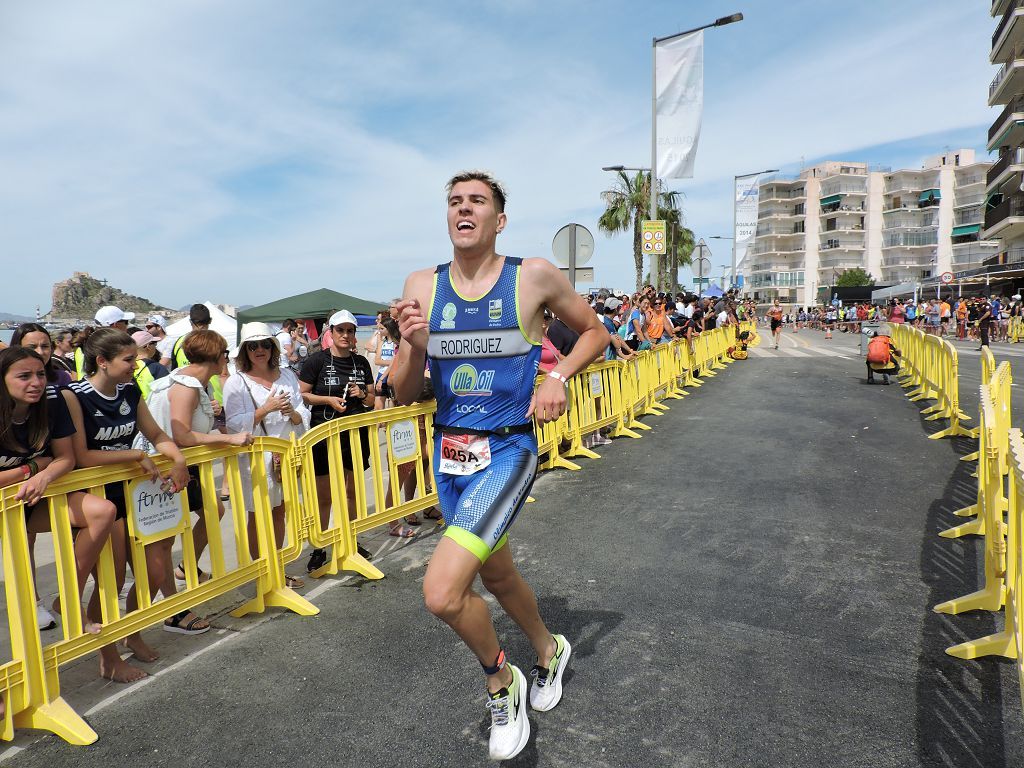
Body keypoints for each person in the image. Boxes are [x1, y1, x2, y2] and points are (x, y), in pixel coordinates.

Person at [392, 170, 607, 761]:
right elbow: (404, 390)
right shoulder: (420, 284)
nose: (464, 209)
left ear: (498, 219)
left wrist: (558, 375)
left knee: (441, 593)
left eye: (477, 201)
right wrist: (412, 344)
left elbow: (595, 332)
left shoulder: (532, 275)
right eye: (455, 202)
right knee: (496, 575)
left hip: (509, 448)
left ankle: (500, 679)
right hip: (450, 454)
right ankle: (548, 649)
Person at [63, 328, 191, 682]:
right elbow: (82, 456)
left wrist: (178, 461)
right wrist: (135, 455)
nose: (136, 365)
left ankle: (132, 631)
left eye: (136, 358)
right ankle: (109, 656)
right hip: (94, 496)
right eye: (128, 360)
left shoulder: (130, 390)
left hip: (131, 492)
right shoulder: (74, 395)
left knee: (153, 572)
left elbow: (158, 436)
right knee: (112, 579)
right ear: (102, 362)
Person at [0, 347, 116, 638]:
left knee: (103, 511)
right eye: (24, 376)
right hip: (14, 497)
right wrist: (31, 469)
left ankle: (67, 599)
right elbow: (43, 461)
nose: (36, 382)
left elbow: (65, 457)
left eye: (40, 374)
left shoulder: (52, 401)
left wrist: (45, 475)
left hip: (22, 502)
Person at [224, 323, 309, 581]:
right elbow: (233, 424)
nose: (259, 350)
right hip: (255, 458)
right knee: (257, 513)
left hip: (284, 455)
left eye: (264, 344)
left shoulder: (287, 375)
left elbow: (303, 411)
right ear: (244, 351)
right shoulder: (236, 382)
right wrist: (266, 409)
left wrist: (291, 413)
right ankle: (263, 571)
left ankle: (277, 568)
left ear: (272, 347)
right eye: (252, 346)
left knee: (280, 510)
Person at [299, 309, 376, 570]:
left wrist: (361, 392)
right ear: (330, 333)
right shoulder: (316, 361)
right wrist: (328, 400)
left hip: (354, 435)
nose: (345, 335)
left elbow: (371, 399)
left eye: (350, 331)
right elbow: (303, 395)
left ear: (355, 335)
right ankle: (319, 547)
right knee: (325, 495)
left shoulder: (362, 362)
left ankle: (350, 541)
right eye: (340, 330)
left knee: (352, 492)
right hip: (323, 432)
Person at [130, 330, 170, 400]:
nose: (156, 347)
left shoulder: (128, 367)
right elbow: (167, 394)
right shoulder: (156, 367)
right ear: (148, 346)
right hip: (151, 409)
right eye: (155, 344)